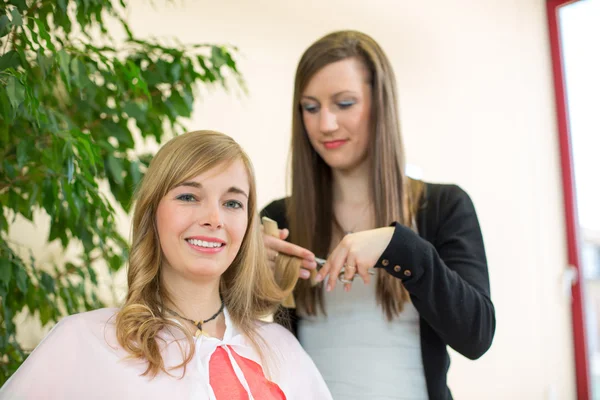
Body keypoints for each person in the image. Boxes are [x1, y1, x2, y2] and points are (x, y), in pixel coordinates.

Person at [0, 130, 332, 400]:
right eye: (189, 197)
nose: (214, 219)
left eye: (232, 203)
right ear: (152, 212)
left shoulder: (281, 349)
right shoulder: (82, 341)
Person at [261, 30, 496, 399]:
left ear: (380, 104)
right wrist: (246, 279)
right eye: (310, 107)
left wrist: (400, 248)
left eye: (344, 103)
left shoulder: (444, 206)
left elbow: (476, 336)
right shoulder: (280, 219)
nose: (325, 124)